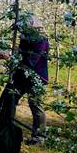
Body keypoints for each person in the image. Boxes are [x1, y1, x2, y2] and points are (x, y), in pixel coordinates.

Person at [5, 14, 49, 144]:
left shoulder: (41, 41)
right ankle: (6, 126)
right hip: (21, 75)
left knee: (35, 105)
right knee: (11, 99)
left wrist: (11, 59)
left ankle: (39, 136)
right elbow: (20, 53)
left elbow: (31, 62)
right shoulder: (25, 38)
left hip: (36, 77)